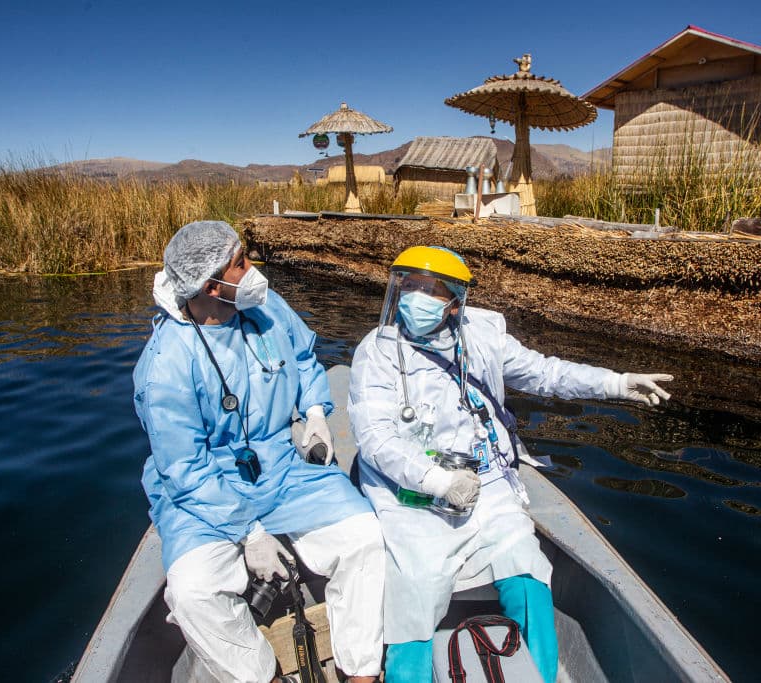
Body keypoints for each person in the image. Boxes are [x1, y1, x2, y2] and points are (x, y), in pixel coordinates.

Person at [348, 246, 673, 683]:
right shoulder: (377, 351)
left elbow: (546, 373)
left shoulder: (483, 335)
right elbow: (376, 439)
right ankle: (409, 674)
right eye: (409, 285)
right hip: (412, 493)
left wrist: (616, 382)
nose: (414, 297)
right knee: (416, 585)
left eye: (429, 288)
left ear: (453, 301)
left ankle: (539, 672)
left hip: (486, 482)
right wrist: (437, 481)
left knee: (525, 563)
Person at [133, 220, 384, 683]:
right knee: (193, 593)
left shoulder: (263, 306)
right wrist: (247, 532)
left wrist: (312, 413)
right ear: (211, 286)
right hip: (207, 488)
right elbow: (184, 470)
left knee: (365, 538)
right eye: (241, 263)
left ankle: (361, 672)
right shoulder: (166, 365)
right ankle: (262, 676)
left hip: (284, 466)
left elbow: (305, 355)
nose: (253, 271)